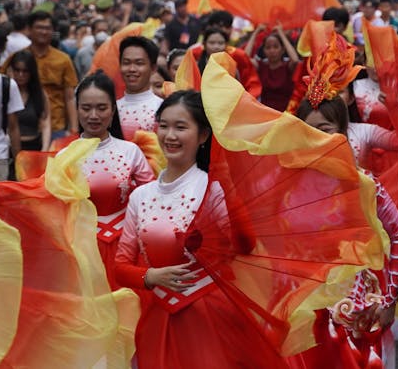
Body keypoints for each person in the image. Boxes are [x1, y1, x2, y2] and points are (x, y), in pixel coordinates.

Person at [114, 90, 290, 368]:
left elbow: (245, 245)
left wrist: (227, 183)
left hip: (210, 315)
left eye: (181, 127)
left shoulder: (214, 189)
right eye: (164, 126)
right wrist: (150, 276)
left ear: (203, 135)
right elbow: (121, 267)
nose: (170, 135)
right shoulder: (141, 196)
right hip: (157, 316)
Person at [295, 95, 398, 365]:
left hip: (350, 306)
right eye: (306, 130)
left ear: (343, 132)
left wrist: (390, 301)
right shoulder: (286, 185)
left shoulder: (364, 184)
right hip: (302, 303)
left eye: (324, 130)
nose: (315, 138)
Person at [72, 71, 154, 288]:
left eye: (101, 108)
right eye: (86, 108)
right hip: (84, 247)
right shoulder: (65, 157)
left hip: (128, 245)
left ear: (113, 109)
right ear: (77, 109)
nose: (93, 115)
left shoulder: (131, 151)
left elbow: (151, 199)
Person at [27, 11, 78, 139]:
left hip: (56, 127)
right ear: (29, 30)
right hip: (26, 127)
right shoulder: (19, 58)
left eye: (47, 28)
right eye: (39, 27)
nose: (43, 32)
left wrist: (74, 130)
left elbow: (70, 97)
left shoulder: (63, 59)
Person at [116, 36, 164, 139]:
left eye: (139, 63)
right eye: (126, 63)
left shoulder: (162, 109)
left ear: (153, 68)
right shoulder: (112, 110)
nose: (132, 69)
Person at [245, 22, 300, 112]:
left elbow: (295, 60)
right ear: (264, 51)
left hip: (286, 113)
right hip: (265, 113)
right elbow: (245, 59)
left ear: (282, 50)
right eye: (268, 47)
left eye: (276, 47)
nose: (272, 51)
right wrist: (256, 32)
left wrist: (281, 33)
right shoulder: (261, 66)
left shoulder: (288, 67)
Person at [5, 50, 51, 153]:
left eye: (25, 71)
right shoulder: (4, 92)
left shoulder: (39, 93)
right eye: (17, 70)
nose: (21, 75)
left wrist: (44, 149)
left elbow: (45, 124)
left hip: (33, 147)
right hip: (7, 148)